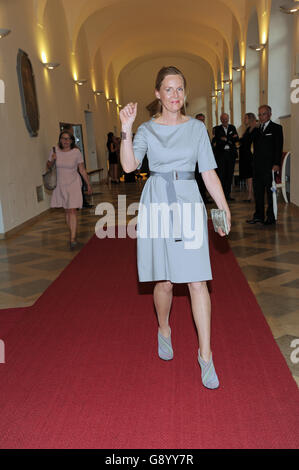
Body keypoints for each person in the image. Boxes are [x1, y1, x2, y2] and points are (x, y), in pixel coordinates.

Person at [120, 66, 231, 390]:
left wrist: (223, 209)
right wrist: (126, 128)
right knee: (165, 282)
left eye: (179, 89)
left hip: (188, 202)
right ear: (157, 93)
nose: (174, 95)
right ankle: (164, 328)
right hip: (157, 202)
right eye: (168, 89)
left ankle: (205, 355)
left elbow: (209, 172)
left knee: (198, 281)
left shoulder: (196, 130)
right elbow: (129, 166)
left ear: (185, 92)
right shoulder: (145, 129)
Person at [47, 130, 92, 249]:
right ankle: (72, 232)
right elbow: (48, 166)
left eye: (68, 139)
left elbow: (81, 169)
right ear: (60, 139)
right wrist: (52, 160)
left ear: (72, 141)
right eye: (63, 138)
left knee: (72, 210)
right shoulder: (54, 150)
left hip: (73, 183)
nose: (65, 141)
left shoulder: (76, 152)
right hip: (60, 184)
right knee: (67, 210)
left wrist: (88, 184)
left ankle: (72, 237)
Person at [246, 105, 283, 226]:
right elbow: (245, 143)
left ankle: (271, 217)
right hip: (257, 167)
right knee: (258, 193)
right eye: (260, 114)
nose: (261, 117)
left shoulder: (276, 128)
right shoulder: (257, 129)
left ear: (270, 114)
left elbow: (278, 147)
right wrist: (251, 129)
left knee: (269, 193)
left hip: (270, 167)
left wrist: (277, 163)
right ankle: (258, 217)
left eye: (264, 114)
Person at [213, 113, 239, 201]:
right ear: (221, 120)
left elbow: (236, 139)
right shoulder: (217, 129)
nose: (225, 121)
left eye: (226, 119)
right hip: (221, 156)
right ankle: (221, 196)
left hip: (230, 155)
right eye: (223, 119)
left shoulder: (232, 127)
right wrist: (230, 138)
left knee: (229, 175)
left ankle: (227, 195)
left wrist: (225, 139)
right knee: (221, 176)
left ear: (228, 119)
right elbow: (218, 140)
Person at [239, 113, 257, 202]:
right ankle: (249, 194)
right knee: (247, 175)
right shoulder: (248, 129)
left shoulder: (255, 129)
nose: (244, 119)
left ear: (250, 119)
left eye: (245, 118)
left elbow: (254, 143)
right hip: (244, 155)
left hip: (249, 155)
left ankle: (251, 195)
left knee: (249, 175)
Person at [195, 113, 212, 203]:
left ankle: (204, 197)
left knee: (204, 180)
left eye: (202, 120)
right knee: (199, 180)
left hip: (205, 159)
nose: (201, 122)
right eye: (199, 120)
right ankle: (200, 198)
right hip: (197, 161)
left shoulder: (205, 130)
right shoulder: (193, 131)